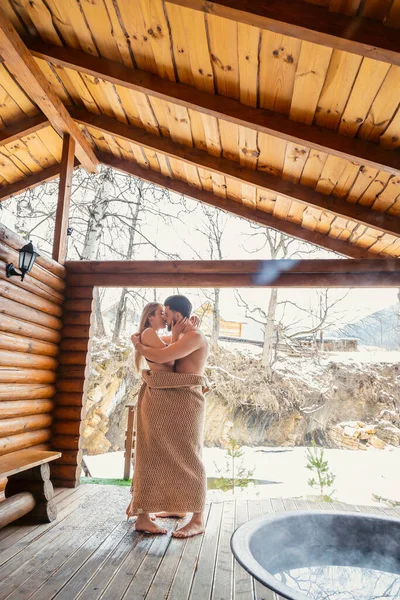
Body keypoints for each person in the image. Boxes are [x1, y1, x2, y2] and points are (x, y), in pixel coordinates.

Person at [128, 295, 209, 538]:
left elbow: (166, 358)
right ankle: (176, 507)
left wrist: (139, 347)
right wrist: (143, 338)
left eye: (166, 312)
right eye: (160, 312)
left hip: (187, 400)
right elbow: (161, 346)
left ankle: (198, 518)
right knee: (162, 454)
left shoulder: (194, 337)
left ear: (175, 313)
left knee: (189, 455)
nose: (164, 316)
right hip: (168, 399)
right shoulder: (179, 336)